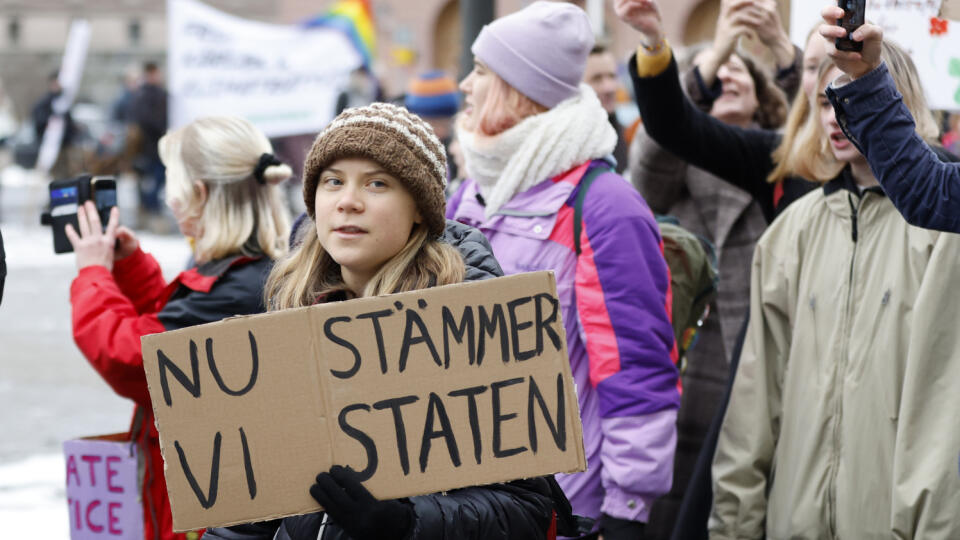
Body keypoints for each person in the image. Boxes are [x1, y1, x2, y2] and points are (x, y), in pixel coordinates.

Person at [206, 102, 579, 540]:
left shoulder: (472, 319)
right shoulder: (288, 309)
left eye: (377, 184)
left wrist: (406, 523)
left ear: (419, 207)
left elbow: (526, 510)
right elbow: (251, 512)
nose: (348, 202)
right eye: (333, 182)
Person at [447, 3, 680, 538]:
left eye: (481, 72)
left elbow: (637, 374)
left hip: (568, 509)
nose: (466, 84)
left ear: (517, 90)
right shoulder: (469, 197)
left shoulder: (603, 208)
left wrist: (626, 511)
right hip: (475, 504)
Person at [68, 116, 292, 540]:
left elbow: (132, 358)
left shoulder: (231, 291)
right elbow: (173, 325)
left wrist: (93, 274)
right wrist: (131, 267)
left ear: (199, 193)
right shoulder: (252, 274)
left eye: (173, 184)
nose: (169, 200)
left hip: (208, 513)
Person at [626, 8, 791, 538]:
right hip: (692, 371)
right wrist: (712, 52)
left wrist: (782, 48)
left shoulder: (787, 160)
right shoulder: (676, 167)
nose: (728, 73)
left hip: (772, 360)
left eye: (741, 69)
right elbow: (655, 147)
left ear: (764, 91)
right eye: (716, 73)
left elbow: (819, 124)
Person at [819, 7, 960, 233]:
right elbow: (929, 192)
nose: (834, 119)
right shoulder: (804, 218)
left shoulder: (940, 240)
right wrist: (865, 77)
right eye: (825, 103)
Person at [404, 70, 462, 184]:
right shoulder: (400, 150)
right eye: (434, 123)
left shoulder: (454, 150)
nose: (441, 132)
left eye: (446, 123)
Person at [130, 62, 169, 218]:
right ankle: (151, 209)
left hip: (149, 147)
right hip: (152, 146)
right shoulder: (149, 95)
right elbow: (148, 121)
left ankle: (149, 208)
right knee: (154, 180)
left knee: (152, 180)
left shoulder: (141, 94)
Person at [582, 45, 628, 173]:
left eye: (612, 76)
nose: (609, 87)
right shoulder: (575, 145)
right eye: (597, 78)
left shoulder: (628, 135)